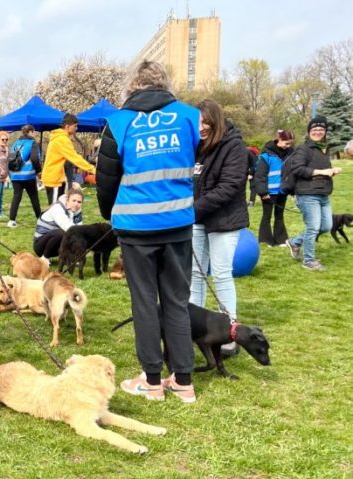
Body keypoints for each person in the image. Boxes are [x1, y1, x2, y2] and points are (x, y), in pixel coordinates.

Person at [97, 60, 200, 403]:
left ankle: (152, 381)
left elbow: (107, 179)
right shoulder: (189, 116)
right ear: (164, 84)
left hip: (135, 226)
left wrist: (109, 215)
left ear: (132, 86)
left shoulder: (119, 122)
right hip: (177, 223)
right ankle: (183, 380)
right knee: (177, 301)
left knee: (144, 303)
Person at [190, 99, 249, 356]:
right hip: (197, 220)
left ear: (217, 121)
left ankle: (229, 333)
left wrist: (192, 210)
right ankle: (194, 327)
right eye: (197, 123)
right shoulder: (197, 148)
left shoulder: (234, 146)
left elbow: (229, 186)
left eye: (206, 122)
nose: (201, 128)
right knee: (194, 273)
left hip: (224, 220)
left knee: (222, 274)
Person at [285, 116, 342, 271]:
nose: (318, 132)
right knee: (313, 227)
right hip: (307, 193)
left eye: (321, 129)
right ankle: (309, 261)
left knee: (326, 226)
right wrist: (323, 172)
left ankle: (295, 242)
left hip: (323, 193)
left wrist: (331, 172)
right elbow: (297, 169)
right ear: (309, 131)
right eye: (314, 129)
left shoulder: (324, 149)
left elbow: (320, 171)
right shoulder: (303, 149)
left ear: (325, 132)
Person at [42, 113, 94, 205]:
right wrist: (93, 169)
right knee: (55, 209)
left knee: (59, 206)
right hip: (54, 179)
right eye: (75, 126)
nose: (76, 128)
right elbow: (75, 158)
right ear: (67, 126)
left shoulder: (60, 138)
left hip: (56, 177)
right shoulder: (62, 139)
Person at [255, 129, 294, 247]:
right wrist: (263, 192)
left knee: (279, 215)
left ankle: (281, 239)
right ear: (279, 140)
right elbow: (260, 175)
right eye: (287, 143)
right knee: (267, 215)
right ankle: (265, 239)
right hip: (269, 192)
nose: (289, 146)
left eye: (290, 143)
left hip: (282, 191)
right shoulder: (266, 155)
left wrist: (292, 189)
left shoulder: (291, 154)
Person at [7, 124, 42, 228]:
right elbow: (35, 159)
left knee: (16, 196)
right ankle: (39, 219)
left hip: (15, 175)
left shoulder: (15, 143)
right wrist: (38, 171)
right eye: (33, 132)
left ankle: (12, 220)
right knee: (34, 197)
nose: (34, 134)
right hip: (28, 175)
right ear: (31, 132)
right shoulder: (32, 143)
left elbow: (9, 159)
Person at [32, 189, 83, 259]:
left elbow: (79, 227)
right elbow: (69, 228)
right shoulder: (57, 209)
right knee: (61, 233)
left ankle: (71, 256)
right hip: (41, 246)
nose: (76, 204)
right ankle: (44, 258)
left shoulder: (76, 209)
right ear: (67, 200)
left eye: (79, 202)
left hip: (57, 245)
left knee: (77, 236)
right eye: (73, 200)